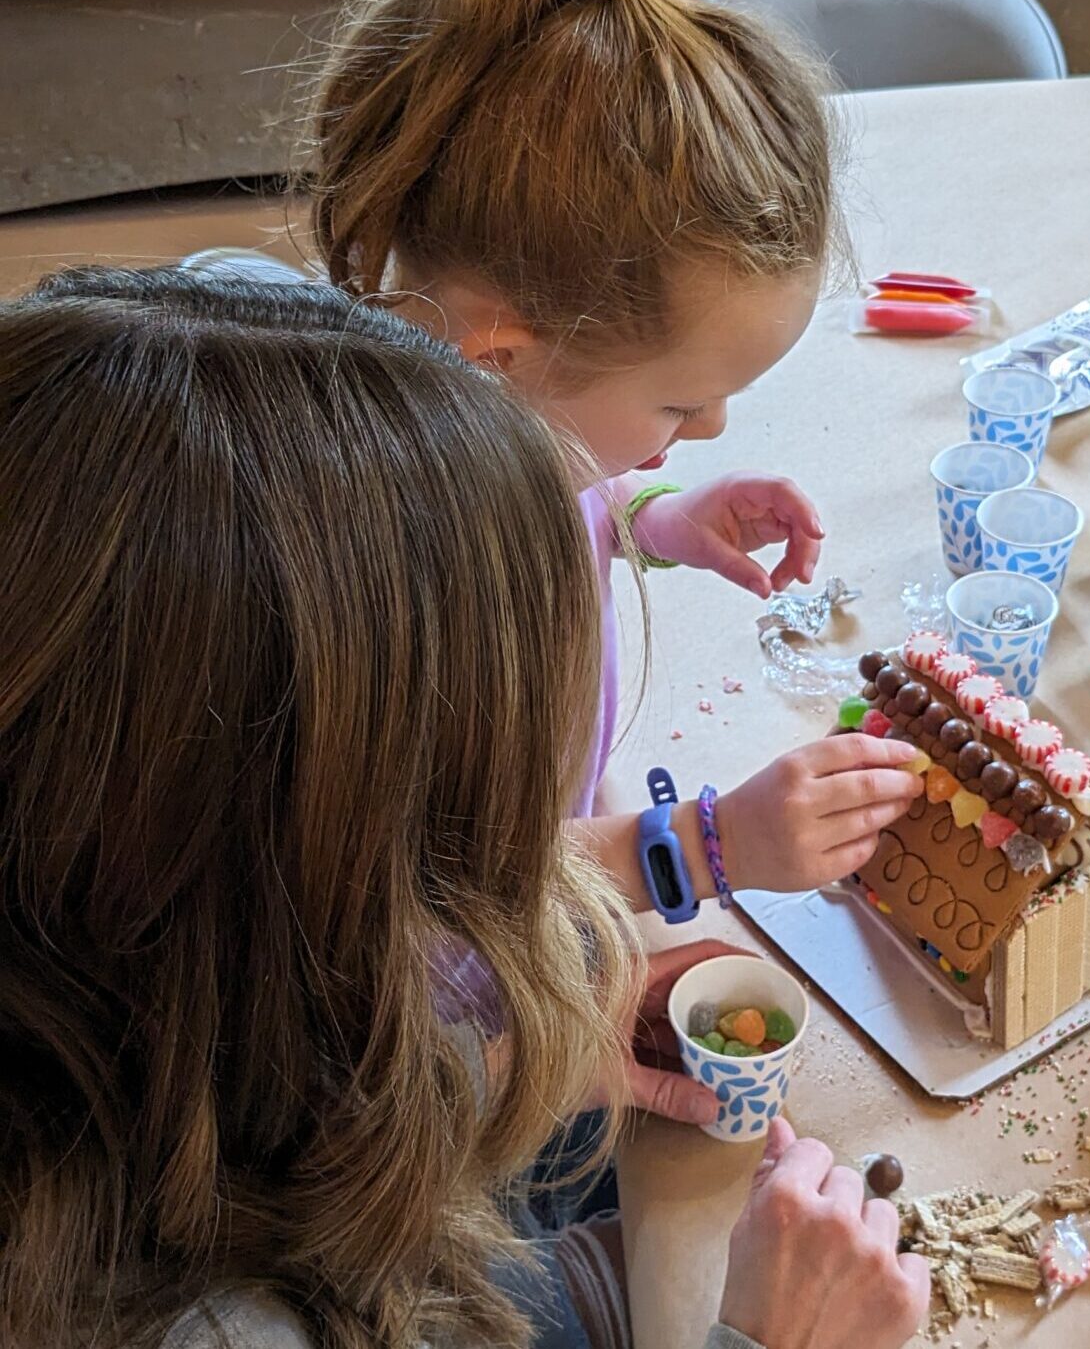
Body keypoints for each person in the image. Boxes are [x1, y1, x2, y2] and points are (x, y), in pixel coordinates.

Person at [0, 267, 929, 1349]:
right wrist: (770, 1338)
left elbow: (249, 1120)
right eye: (474, 851)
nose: (519, 875)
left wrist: (479, 1078)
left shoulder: (114, 1001)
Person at [301, 0, 924, 945]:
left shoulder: (474, 401)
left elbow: (555, 454)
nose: (716, 423)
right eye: (680, 403)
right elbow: (438, 896)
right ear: (503, 352)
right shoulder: (405, 587)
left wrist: (652, 513)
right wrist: (713, 845)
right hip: (451, 1034)